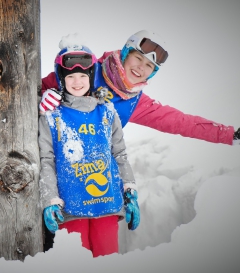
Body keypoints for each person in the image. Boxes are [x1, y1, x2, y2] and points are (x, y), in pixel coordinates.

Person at [40, 30, 240, 145]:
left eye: (149, 66)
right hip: (49, 158)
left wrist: (230, 134)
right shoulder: (86, 69)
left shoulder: (134, 101)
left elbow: (181, 122)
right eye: (138, 58)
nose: (140, 68)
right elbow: (27, 92)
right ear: (126, 54)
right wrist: (41, 97)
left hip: (92, 169)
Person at [38, 39, 140, 257]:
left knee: (108, 259)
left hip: (108, 205)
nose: (77, 82)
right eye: (71, 76)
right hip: (71, 209)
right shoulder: (51, 116)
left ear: (91, 77)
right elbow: (46, 160)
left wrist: (130, 192)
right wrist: (50, 200)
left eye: (83, 76)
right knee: (77, 261)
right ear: (61, 78)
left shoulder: (107, 112)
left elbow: (119, 154)